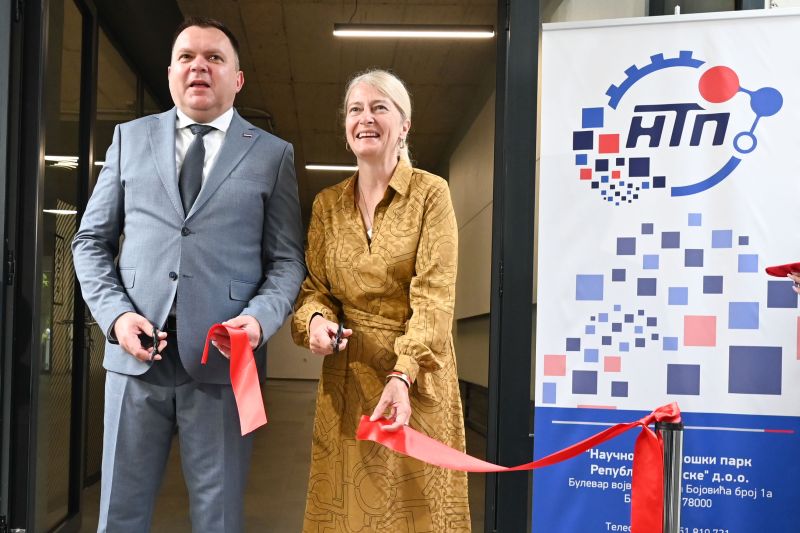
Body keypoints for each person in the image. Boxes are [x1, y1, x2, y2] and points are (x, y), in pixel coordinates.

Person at [72, 16, 305, 532]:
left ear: (237, 79)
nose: (199, 66)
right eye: (187, 57)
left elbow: (287, 261)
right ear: (171, 73)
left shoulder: (272, 155)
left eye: (214, 57)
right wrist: (117, 318)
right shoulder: (129, 140)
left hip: (223, 362)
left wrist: (258, 322)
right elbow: (89, 242)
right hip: (135, 357)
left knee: (217, 519)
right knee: (119, 513)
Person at [291, 69, 471, 532]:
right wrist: (315, 322)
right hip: (347, 379)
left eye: (379, 108)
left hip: (415, 378)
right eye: (355, 109)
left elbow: (434, 296)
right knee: (347, 510)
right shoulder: (327, 205)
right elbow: (316, 290)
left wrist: (403, 373)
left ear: (404, 125)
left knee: (415, 511)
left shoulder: (431, 194)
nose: (365, 118)